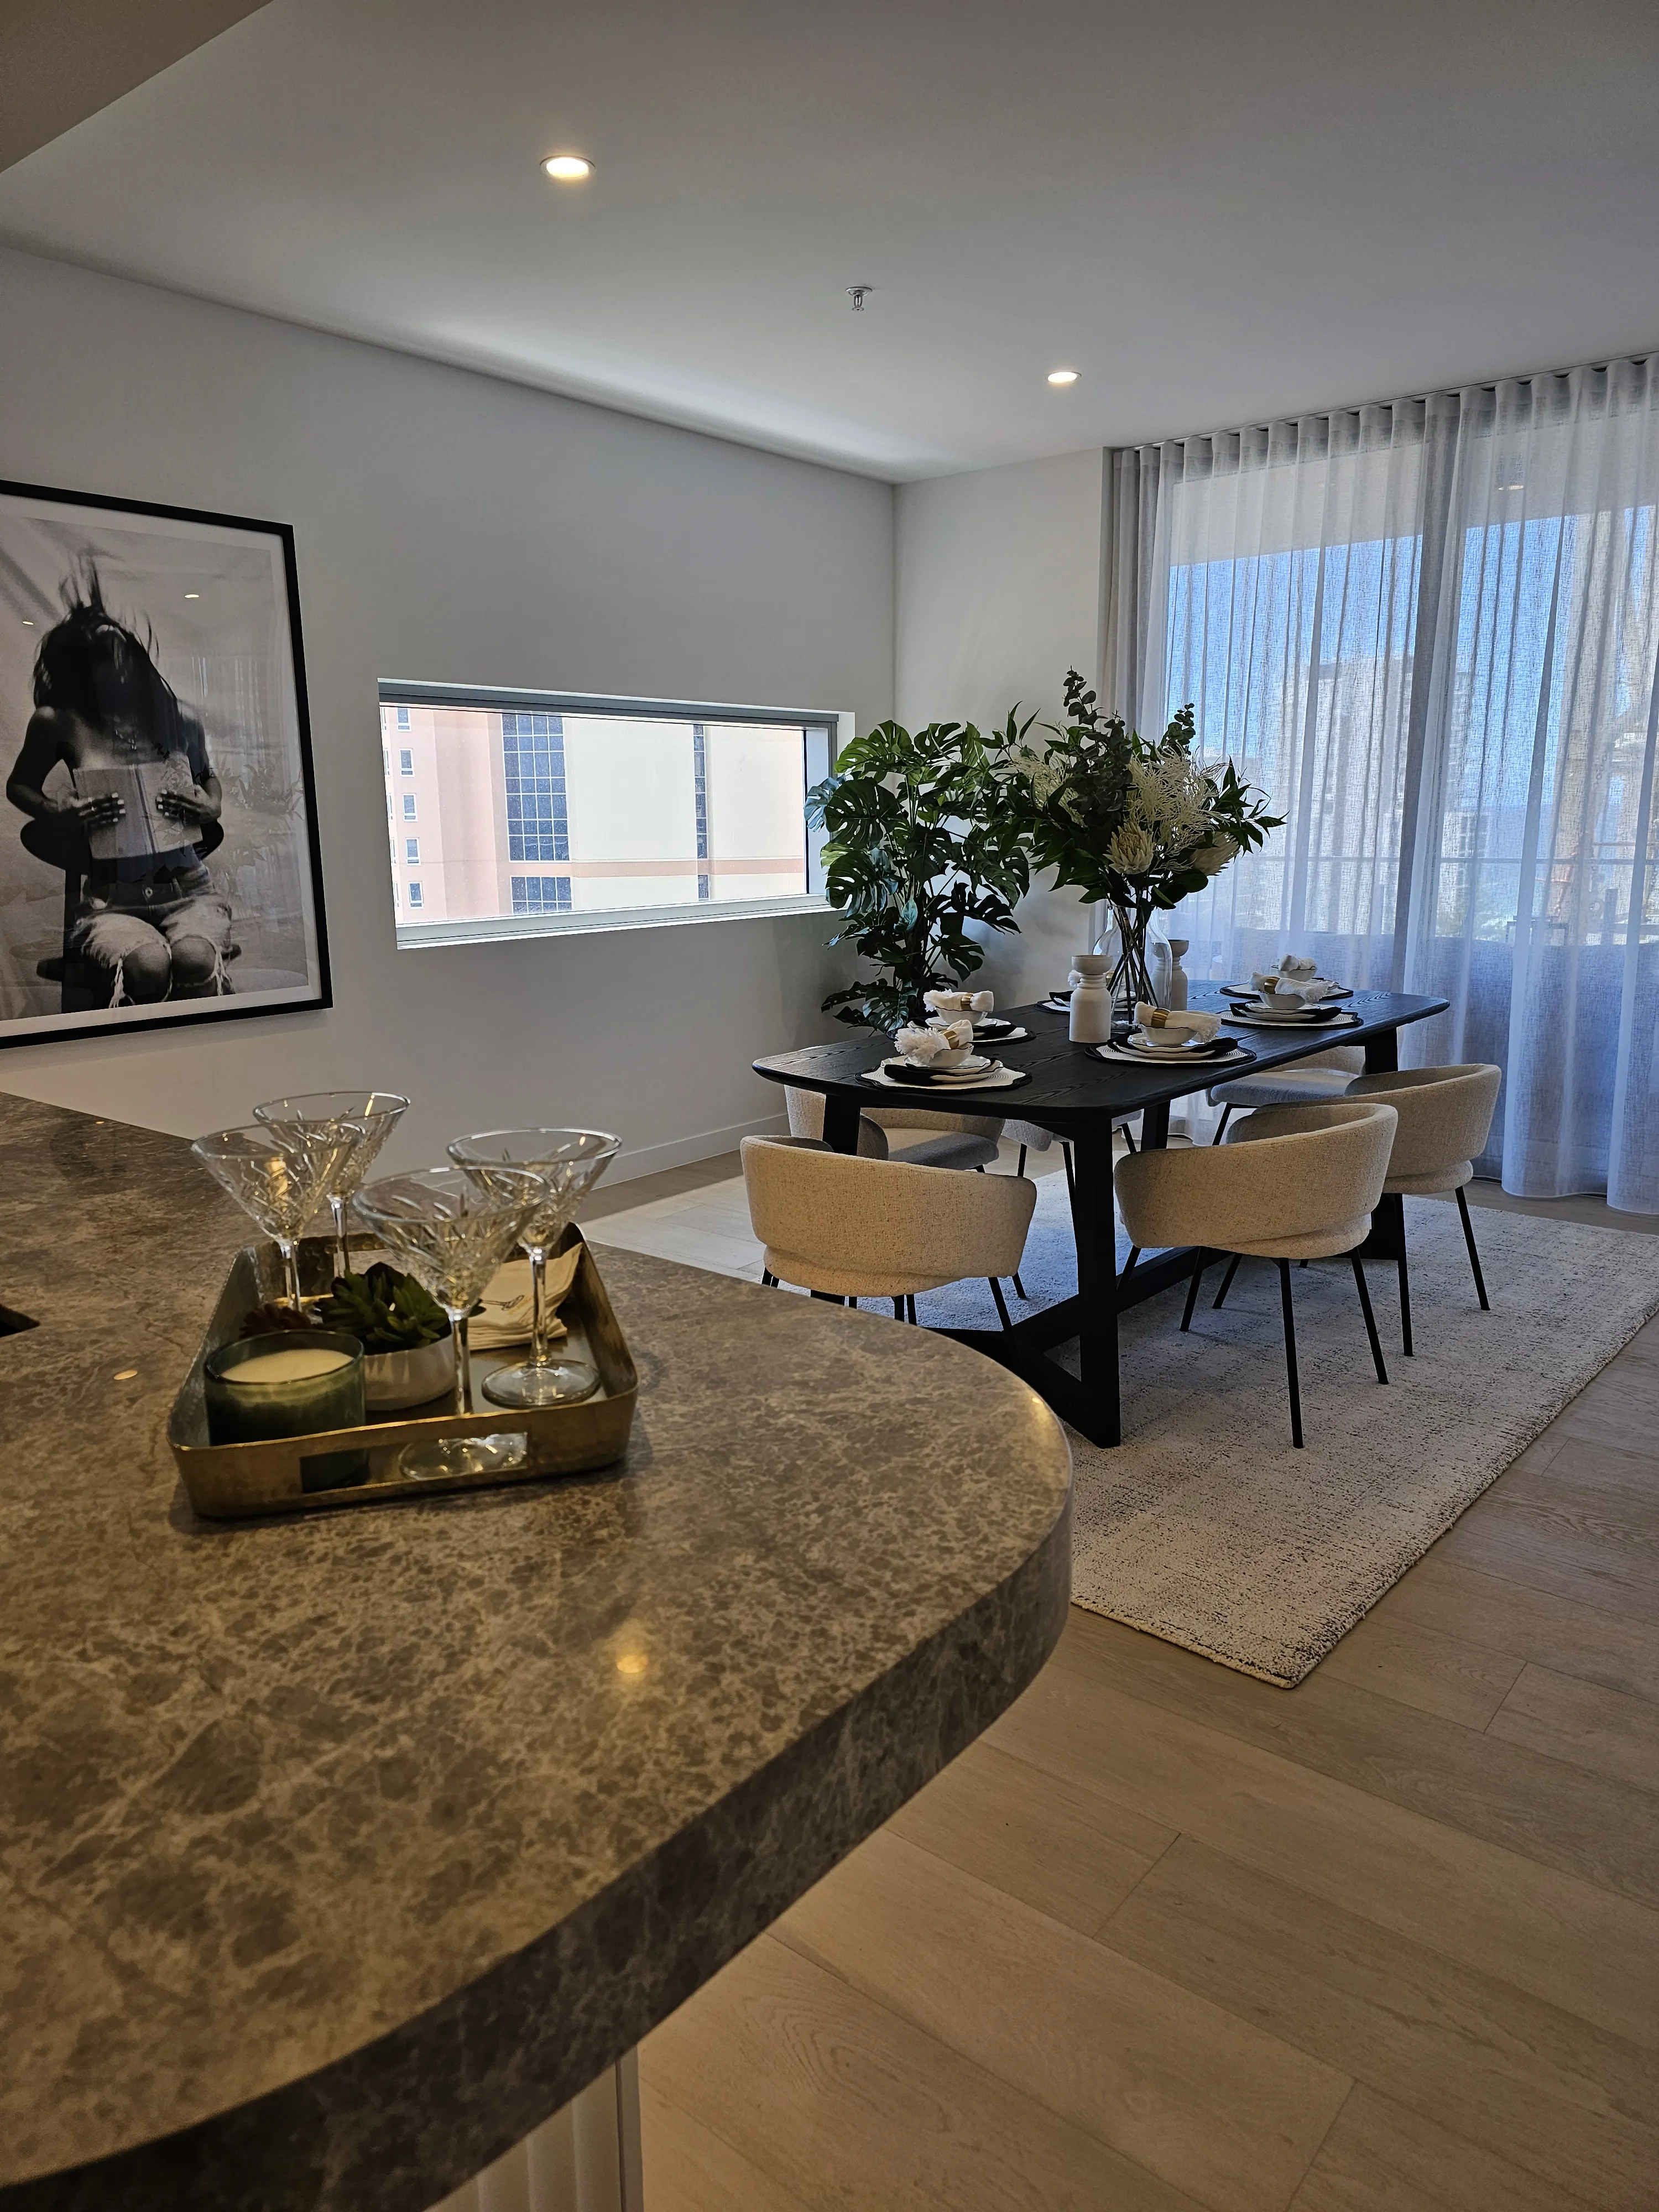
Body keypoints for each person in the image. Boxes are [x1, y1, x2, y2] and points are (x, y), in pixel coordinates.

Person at [6, 571, 233, 1004]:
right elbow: (19, 787)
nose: (112, 669)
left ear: (134, 657)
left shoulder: (177, 718)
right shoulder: (58, 720)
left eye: (119, 656)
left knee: (195, 959)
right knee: (149, 966)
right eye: (97, 661)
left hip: (188, 888)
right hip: (110, 899)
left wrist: (211, 806)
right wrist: (58, 810)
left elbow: (209, 781)